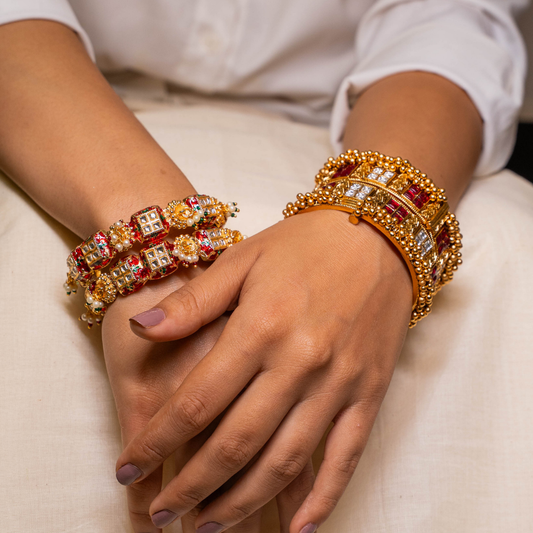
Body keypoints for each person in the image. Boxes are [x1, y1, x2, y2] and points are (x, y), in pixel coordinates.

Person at [0, 1, 531, 533]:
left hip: (362, 128)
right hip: (56, 112)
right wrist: (156, 241)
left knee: (510, 263)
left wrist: (370, 236)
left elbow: (448, 21)